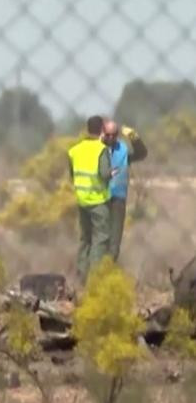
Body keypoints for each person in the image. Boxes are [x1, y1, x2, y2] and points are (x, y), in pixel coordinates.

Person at [67, 116, 114, 283]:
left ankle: (80, 275)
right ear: (101, 129)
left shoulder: (75, 150)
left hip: (82, 201)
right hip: (98, 201)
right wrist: (112, 172)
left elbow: (73, 175)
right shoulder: (101, 150)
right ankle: (94, 279)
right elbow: (104, 174)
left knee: (85, 239)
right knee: (100, 239)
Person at [102, 119, 148, 262]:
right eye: (107, 135)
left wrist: (134, 137)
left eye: (113, 135)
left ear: (117, 135)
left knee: (115, 241)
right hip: (99, 198)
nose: (110, 138)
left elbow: (141, 154)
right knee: (100, 239)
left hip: (118, 199)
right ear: (102, 134)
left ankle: (108, 268)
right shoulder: (97, 149)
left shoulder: (122, 149)